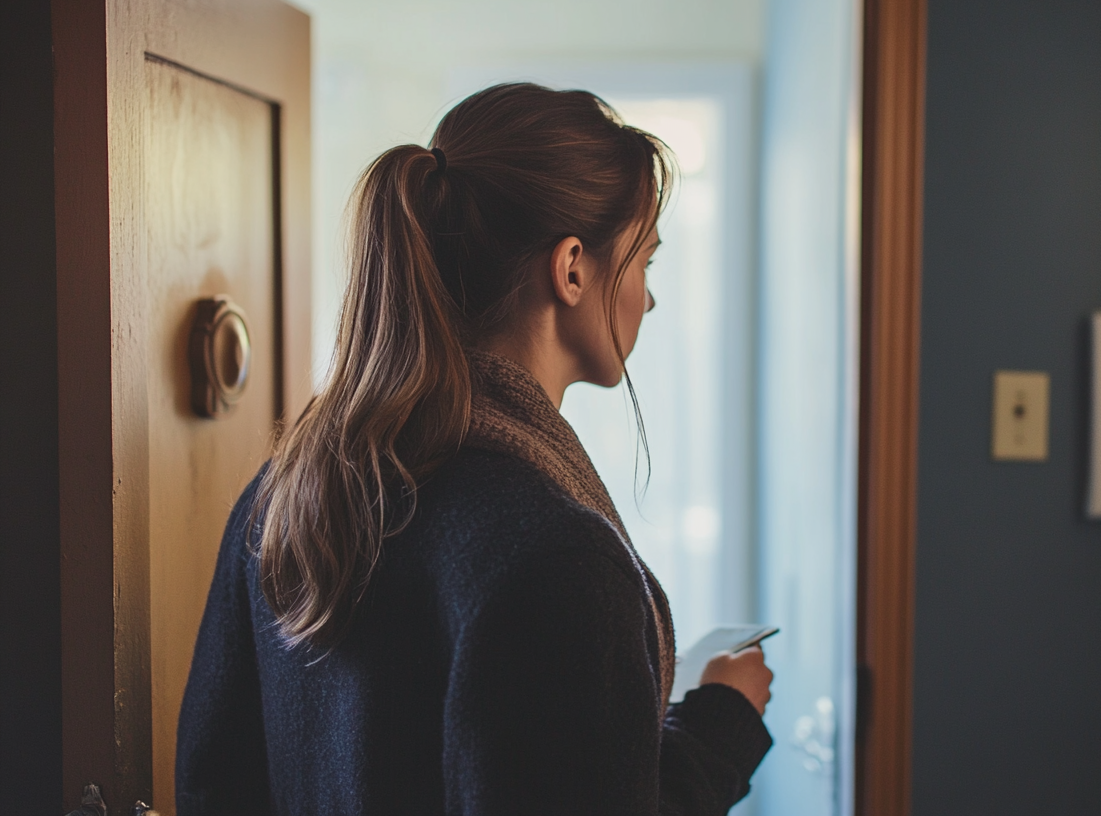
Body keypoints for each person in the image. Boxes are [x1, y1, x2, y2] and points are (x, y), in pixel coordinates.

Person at [176, 82, 774, 815]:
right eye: (645, 261)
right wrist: (720, 725)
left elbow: (209, 787)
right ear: (574, 267)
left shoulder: (285, 494)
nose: (647, 298)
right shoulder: (558, 557)